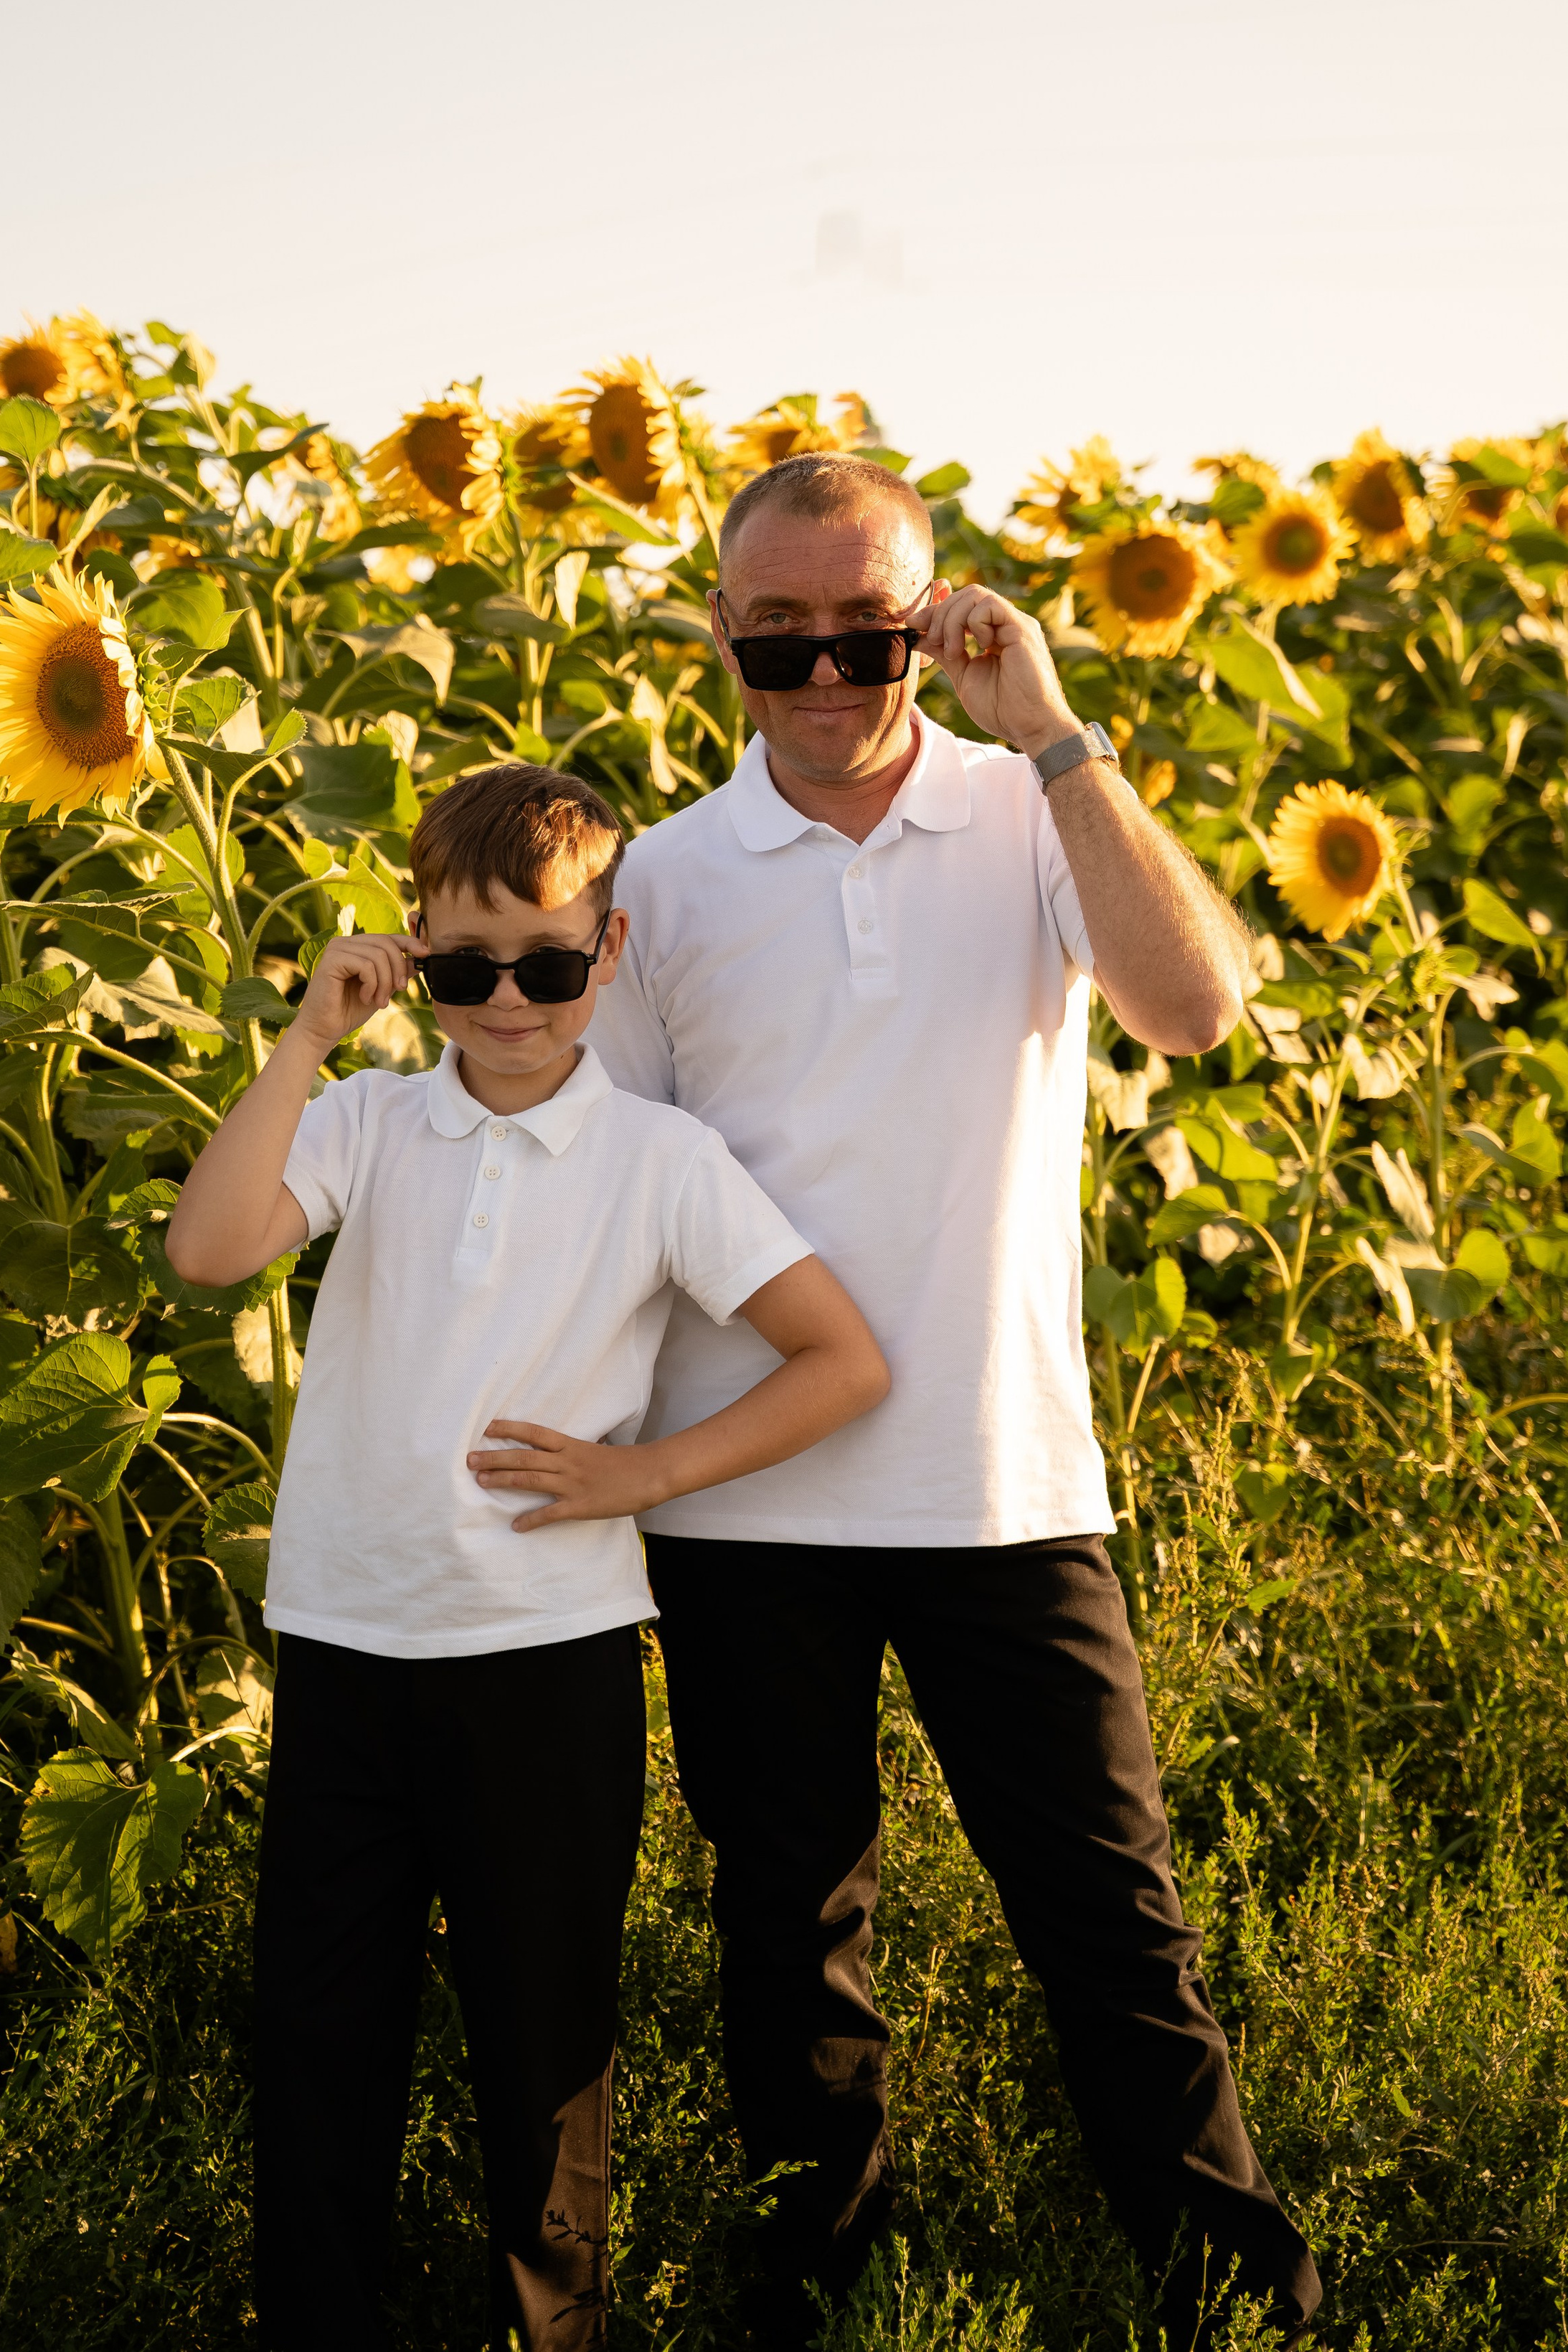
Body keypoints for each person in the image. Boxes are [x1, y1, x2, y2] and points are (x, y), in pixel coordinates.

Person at [590, 451, 1323, 2345]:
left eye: (873, 635)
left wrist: (1059, 730)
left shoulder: (1032, 814)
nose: (828, 676)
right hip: (748, 1495)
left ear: (937, 623)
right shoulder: (660, 884)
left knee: (1110, 1920)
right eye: (782, 643)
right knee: (788, 1936)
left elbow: (1192, 1012)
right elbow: (629, 1186)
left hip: (1001, 1477)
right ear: (720, 639)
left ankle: (1237, 2299)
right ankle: (822, 2291)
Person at [165, 761, 889, 2352]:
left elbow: (839, 1361)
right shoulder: (362, 1120)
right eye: (470, 966)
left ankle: (548, 2336)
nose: (511, 1002)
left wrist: (648, 1471)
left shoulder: (658, 1163)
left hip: (546, 1669)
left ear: (606, 956)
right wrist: (305, 1039)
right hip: (349, 1653)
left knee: (542, 2047)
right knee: (318, 2037)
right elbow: (208, 1249)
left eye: (551, 967)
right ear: (417, 948)